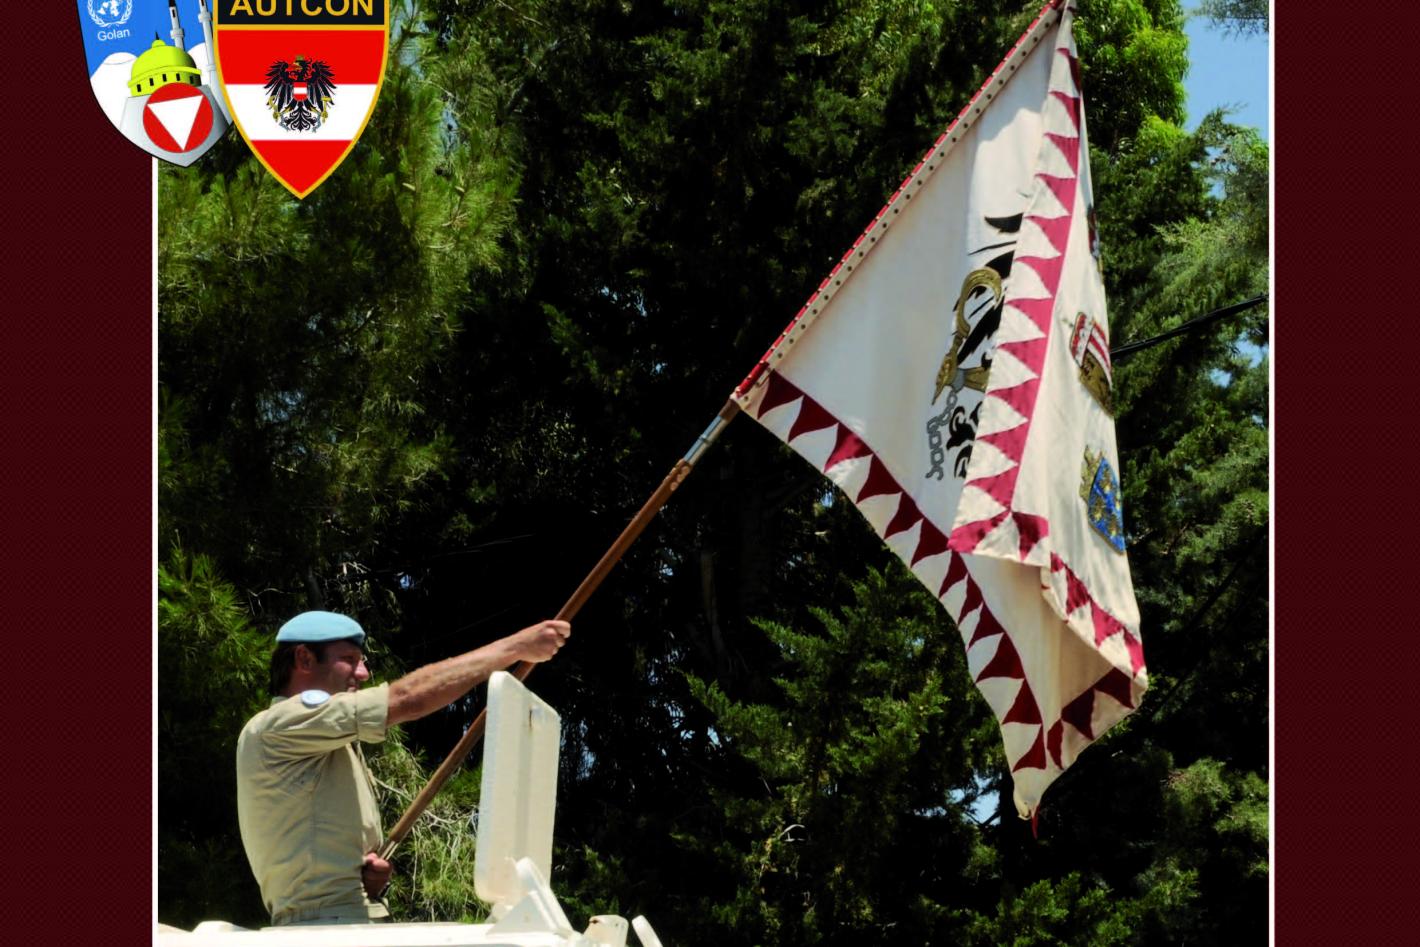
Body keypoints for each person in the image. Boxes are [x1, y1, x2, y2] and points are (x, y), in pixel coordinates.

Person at [236, 609, 571, 926]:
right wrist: (515, 647)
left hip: (341, 922)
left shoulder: (324, 743)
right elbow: (408, 698)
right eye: (349, 660)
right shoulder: (278, 725)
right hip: (324, 927)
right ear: (305, 659)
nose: (363, 673)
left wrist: (363, 873)